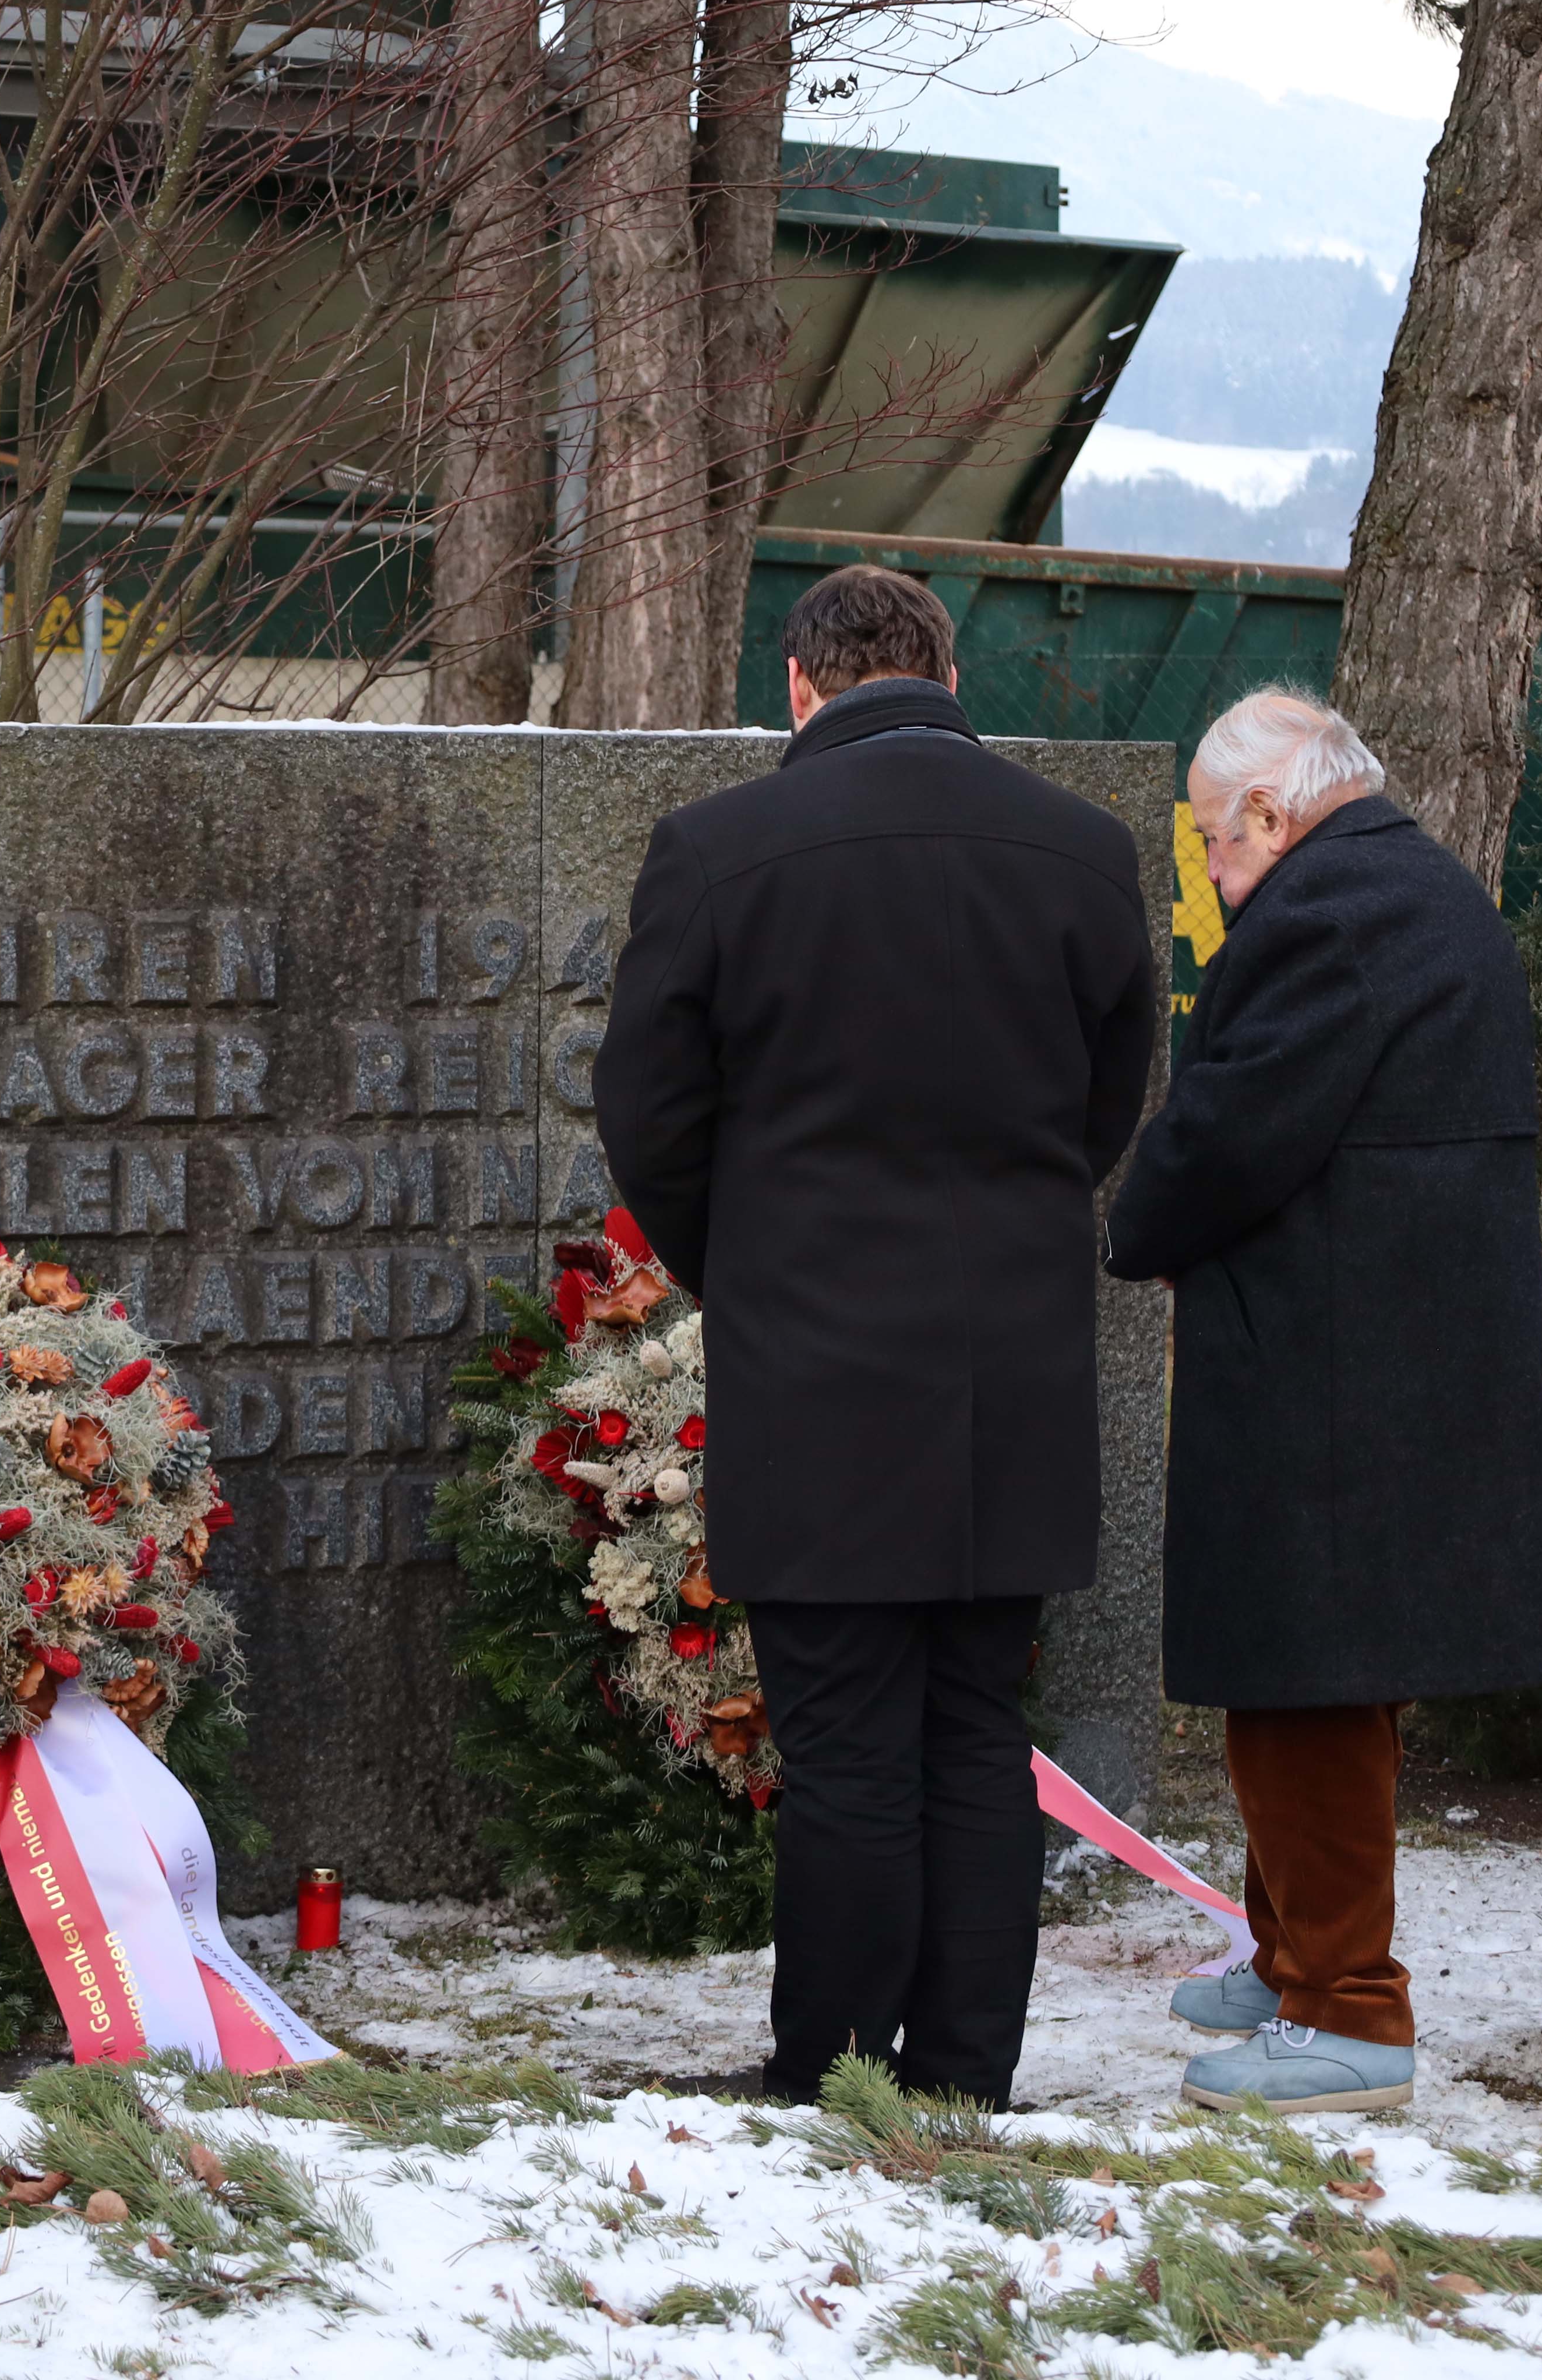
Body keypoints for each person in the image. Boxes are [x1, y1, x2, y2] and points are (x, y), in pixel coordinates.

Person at [594, 564, 1158, 2107]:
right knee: (976, 1727)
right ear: (949, 674)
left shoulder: (721, 852)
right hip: (1013, 1371)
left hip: (820, 1363)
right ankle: (965, 2074)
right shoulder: (1086, 856)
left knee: (845, 1739)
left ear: (800, 685)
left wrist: (749, 1263)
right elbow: (1110, 1103)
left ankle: (833, 2070)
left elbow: (648, 1113)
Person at [1104, 687, 1542, 2116]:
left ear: (1271, 813)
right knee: (1301, 1679)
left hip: (1331, 1378)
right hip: (1392, 1358)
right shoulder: (1420, 890)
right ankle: (1291, 1951)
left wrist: (1135, 1213)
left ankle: (1350, 2011)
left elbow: (1230, 1132)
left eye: (1212, 846)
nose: (1212, 878)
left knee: (1305, 1691)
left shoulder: (1326, 921)